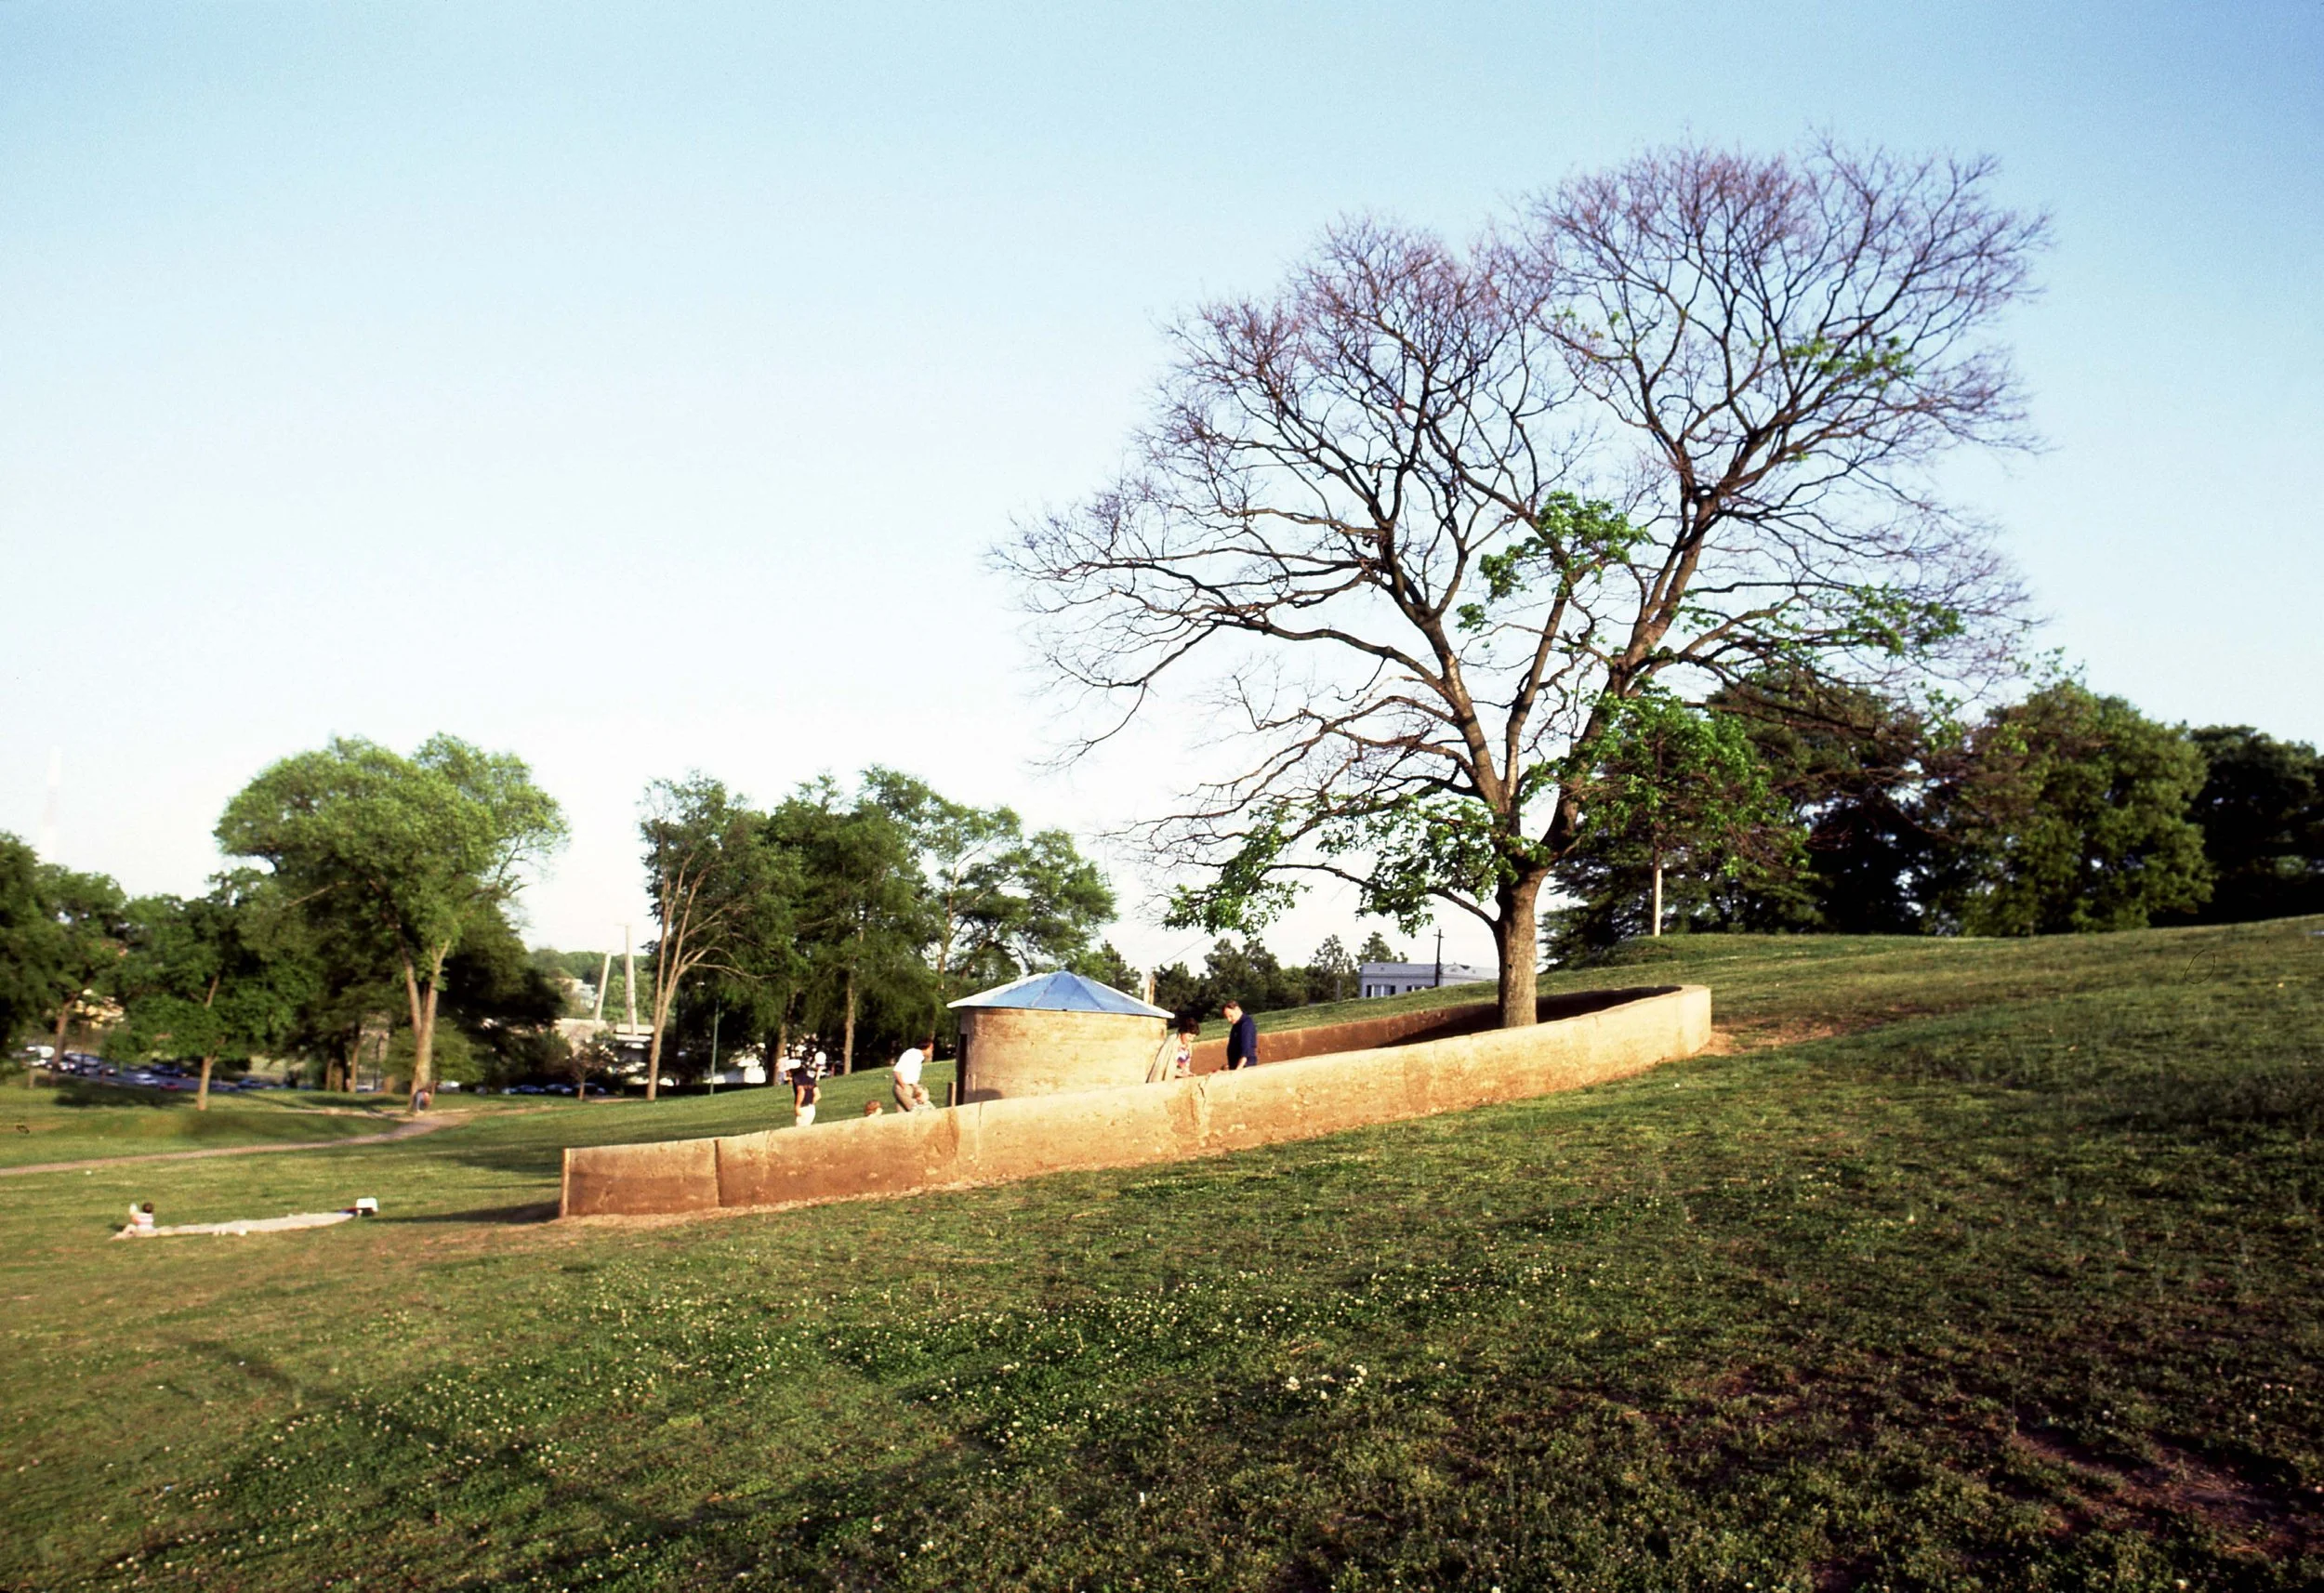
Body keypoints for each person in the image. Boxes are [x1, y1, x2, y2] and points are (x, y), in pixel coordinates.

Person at [1147, 1019, 1198, 1083]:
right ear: (1182, 1032)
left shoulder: (1187, 1046)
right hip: (1167, 1080)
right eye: (1189, 1036)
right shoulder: (1173, 1042)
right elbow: (1167, 1067)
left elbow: (1185, 1065)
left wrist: (1187, 1073)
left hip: (1180, 1078)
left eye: (1193, 1037)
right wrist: (1180, 1074)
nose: (1191, 1039)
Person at [1223, 1000, 1259, 1071]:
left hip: (1245, 1066)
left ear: (1237, 1009)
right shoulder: (1237, 1024)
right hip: (1238, 1066)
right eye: (1227, 1017)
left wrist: (1239, 1067)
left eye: (1231, 1016)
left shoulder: (1246, 1024)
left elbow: (1246, 1047)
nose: (1229, 1020)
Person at [891, 1046, 930, 1112]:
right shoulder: (911, 1054)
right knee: (915, 1109)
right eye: (931, 1048)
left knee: (903, 1111)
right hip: (905, 1085)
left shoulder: (919, 1058)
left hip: (911, 1086)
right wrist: (903, 1086)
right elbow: (896, 1071)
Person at [792, 1062, 821, 1128]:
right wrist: (810, 1104)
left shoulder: (796, 1078)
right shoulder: (810, 1079)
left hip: (803, 1108)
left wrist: (797, 1106)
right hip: (811, 1109)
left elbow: (801, 1092)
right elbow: (818, 1095)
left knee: (799, 1132)